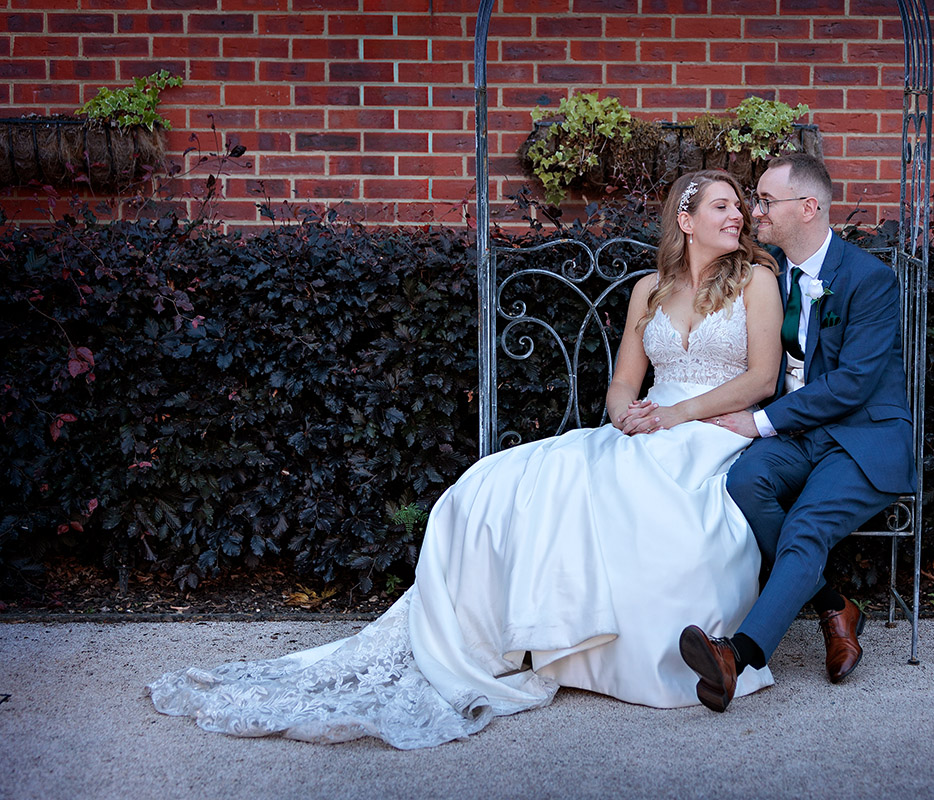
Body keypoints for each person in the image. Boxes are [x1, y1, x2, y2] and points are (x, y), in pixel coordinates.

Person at [146, 170, 784, 749]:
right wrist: (625, 416)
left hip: (714, 431)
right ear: (685, 219)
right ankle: (514, 639)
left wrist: (675, 415)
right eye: (723, 206)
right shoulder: (650, 290)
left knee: (636, 496)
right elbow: (623, 383)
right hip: (646, 429)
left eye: (739, 206)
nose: (738, 216)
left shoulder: (756, 281)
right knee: (501, 480)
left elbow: (761, 380)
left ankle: (613, 647)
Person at [683, 154, 917, 712]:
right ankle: (835, 606)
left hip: (862, 438)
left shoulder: (869, 279)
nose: (755, 211)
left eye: (766, 201)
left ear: (808, 208)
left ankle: (736, 656)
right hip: (801, 436)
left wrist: (759, 422)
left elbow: (854, 383)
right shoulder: (770, 275)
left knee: (807, 523)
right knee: (745, 482)